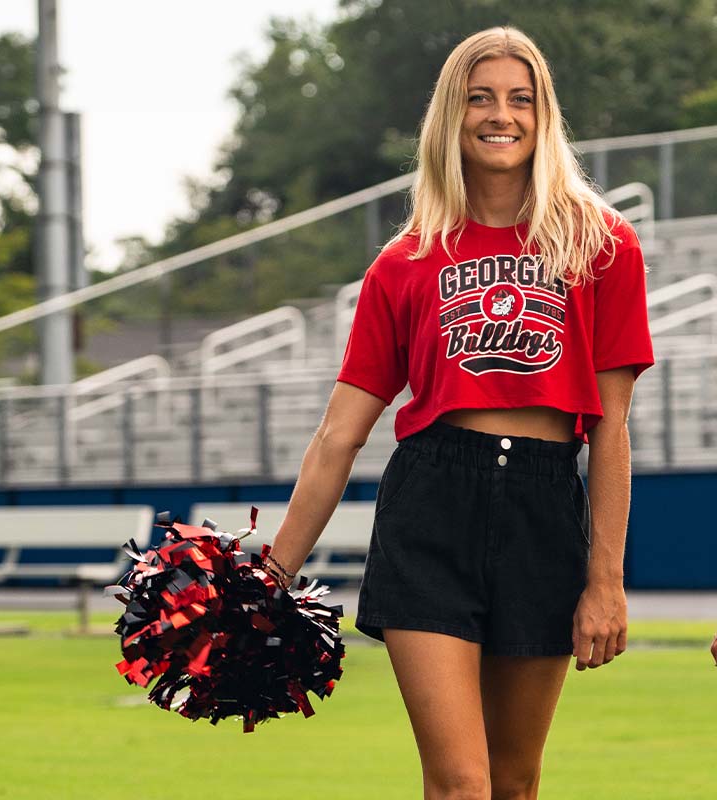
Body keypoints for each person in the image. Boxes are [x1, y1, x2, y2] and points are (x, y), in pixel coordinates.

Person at [261, 26, 654, 800]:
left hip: (546, 508)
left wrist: (604, 581)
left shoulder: (602, 244)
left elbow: (611, 427)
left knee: (514, 783)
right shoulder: (403, 261)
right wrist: (272, 576)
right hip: (432, 508)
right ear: (451, 116)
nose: (499, 115)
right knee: (461, 785)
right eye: (479, 98)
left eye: (520, 98)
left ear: (544, 118)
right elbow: (339, 435)